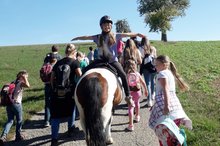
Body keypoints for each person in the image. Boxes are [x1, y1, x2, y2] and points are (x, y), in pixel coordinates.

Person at [71, 15, 146, 105]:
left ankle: (128, 96)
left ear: (111, 26)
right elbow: (87, 37)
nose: (107, 26)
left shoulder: (116, 35)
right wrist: (77, 38)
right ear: (101, 26)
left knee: (123, 74)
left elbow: (128, 34)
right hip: (100, 60)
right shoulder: (98, 37)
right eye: (105, 25)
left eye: (109, 25)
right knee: (84, 71)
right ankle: (76, 92)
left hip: (112, 60)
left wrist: (138, 34)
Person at [148, 55, 192, 145]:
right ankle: (180, 138)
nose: (155, 66)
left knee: (165, 134)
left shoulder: (162, 74)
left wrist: (166, 106)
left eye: (157, 64)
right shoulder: (169, 73)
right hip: (174, 105)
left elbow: (165, 90)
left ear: (164, 65)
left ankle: (180, 138)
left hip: (166, 106)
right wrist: (155, 105)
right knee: (173, 132)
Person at [50, 44, 82, 145]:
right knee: (71, 109)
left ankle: (54, 139)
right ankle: (70, 129)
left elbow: (51, 78)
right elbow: (80, 76)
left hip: (56, 92)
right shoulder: (75, 62)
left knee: (55, 115)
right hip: (69, 91)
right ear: (74, 52)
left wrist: (54, 88)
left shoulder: (58, 62)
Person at [0, 70, 30, 144]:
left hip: (9, 104)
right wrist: (24, 77)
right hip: (16, 104)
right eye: (26, 76)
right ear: (22, 76)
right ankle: (18, 136)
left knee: (10, 120)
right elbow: (28, 85)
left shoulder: (12, 82)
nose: (27, 78)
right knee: (19, 120)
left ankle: (3, 136)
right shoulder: (20, 83)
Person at [42, 45, 62, 127]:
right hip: (56, 82)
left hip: (47, 83)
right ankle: (55, 118)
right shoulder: (60, 57)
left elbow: (43, 67)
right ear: (58, 49)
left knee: (47, 103)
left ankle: (46, 120)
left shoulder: (47, 56)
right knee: (57, 101)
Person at [125, 60, 148, 131]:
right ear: (135, 66)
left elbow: (125, 85)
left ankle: (131, 125)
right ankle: (137, 116)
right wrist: (146, 90)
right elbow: (143, 82)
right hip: (137, 91)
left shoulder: (126, 75)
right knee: (137, 103)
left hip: (130, 93)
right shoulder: (137, 74)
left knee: (130, 107)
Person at [139, 37, 157, 107]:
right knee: (152, 81)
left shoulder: (141, 48)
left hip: (146, 68)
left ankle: (149, 100)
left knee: (148, 84)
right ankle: (153, 95)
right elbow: (155, 57)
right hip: (153, 67)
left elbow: (140, 59)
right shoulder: (153, 48)